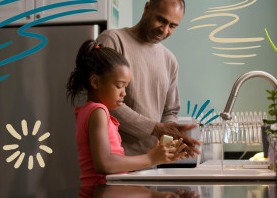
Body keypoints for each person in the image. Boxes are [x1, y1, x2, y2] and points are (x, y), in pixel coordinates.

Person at [96, 0, 200, 157]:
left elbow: (170, 111)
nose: (165, 30)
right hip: (114, 160)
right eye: (161, 20)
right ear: (147, 8)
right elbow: (104, 100)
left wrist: (171, 136)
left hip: (151, 162)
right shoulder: (112, 41)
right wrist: (154, 128)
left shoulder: (169, 60)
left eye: (172, 26)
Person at [66, 40, 187, 186]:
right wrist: (151, 159)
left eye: (126, 86)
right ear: (95, 82)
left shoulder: (89, 111)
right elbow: (105, 164)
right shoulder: (98, 112)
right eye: (119, 86)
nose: (124, 93)